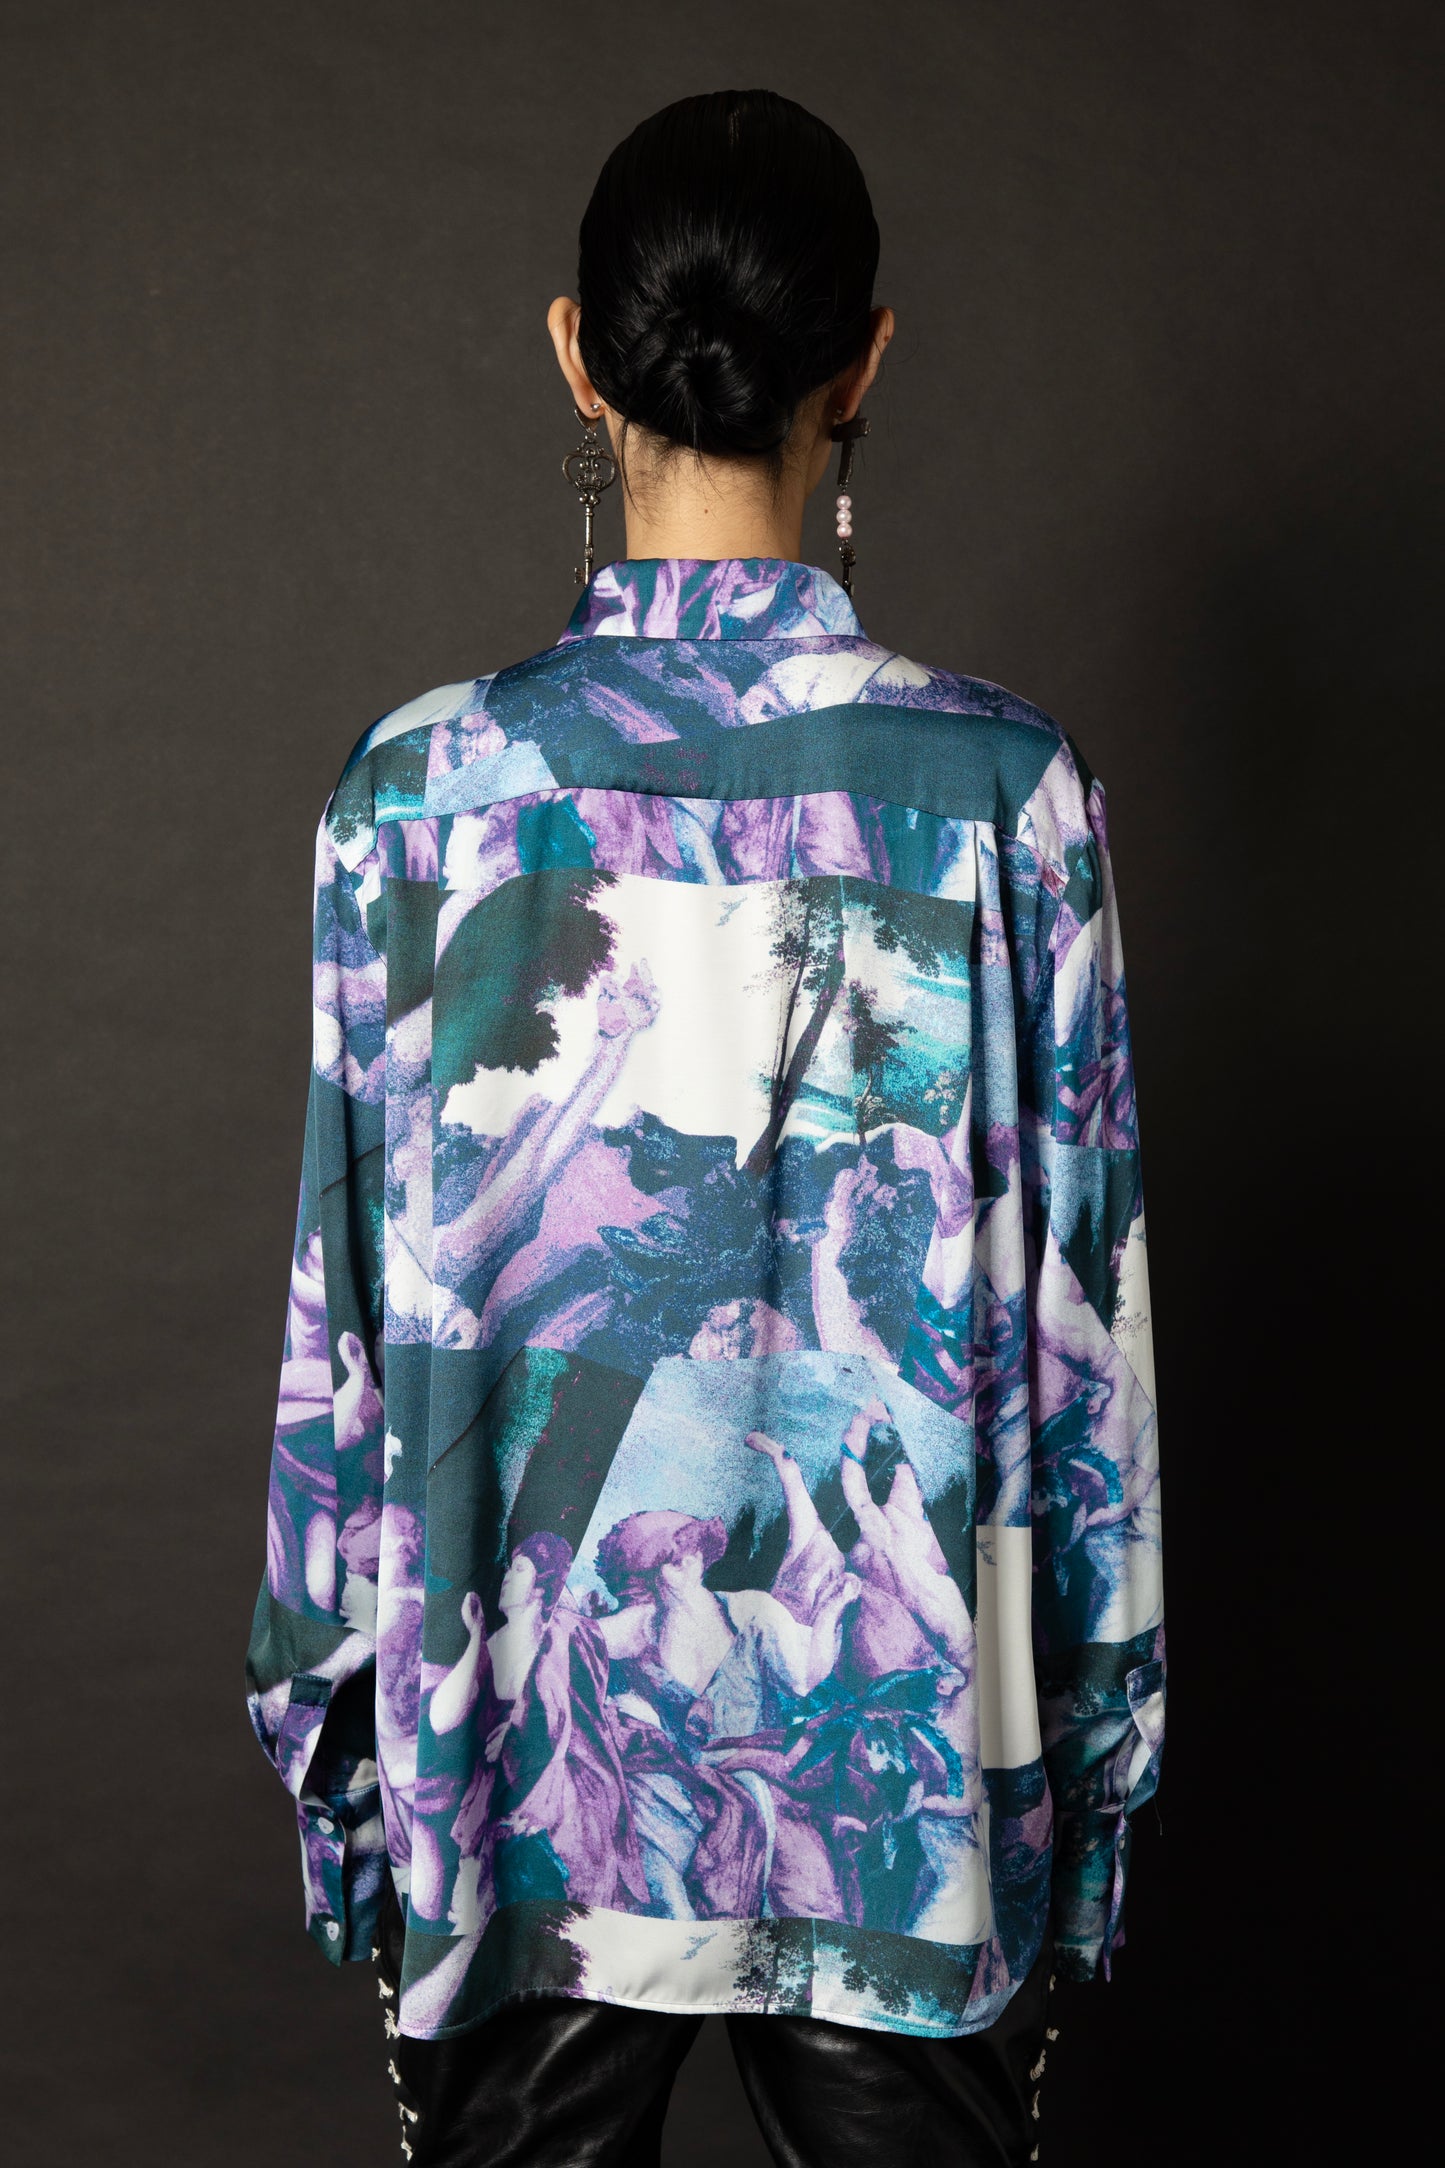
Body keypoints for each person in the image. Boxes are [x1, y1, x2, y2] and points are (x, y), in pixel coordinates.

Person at [245, 87, 1165, 2168]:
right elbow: (1082, 1359)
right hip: (914, 1804)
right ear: (866, 363)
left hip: (516, 1798)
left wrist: (340, 1742)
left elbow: (344, 1342)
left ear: (579, 356)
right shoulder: (1004, 799)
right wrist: (1088, 1763)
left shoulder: (419, 798)